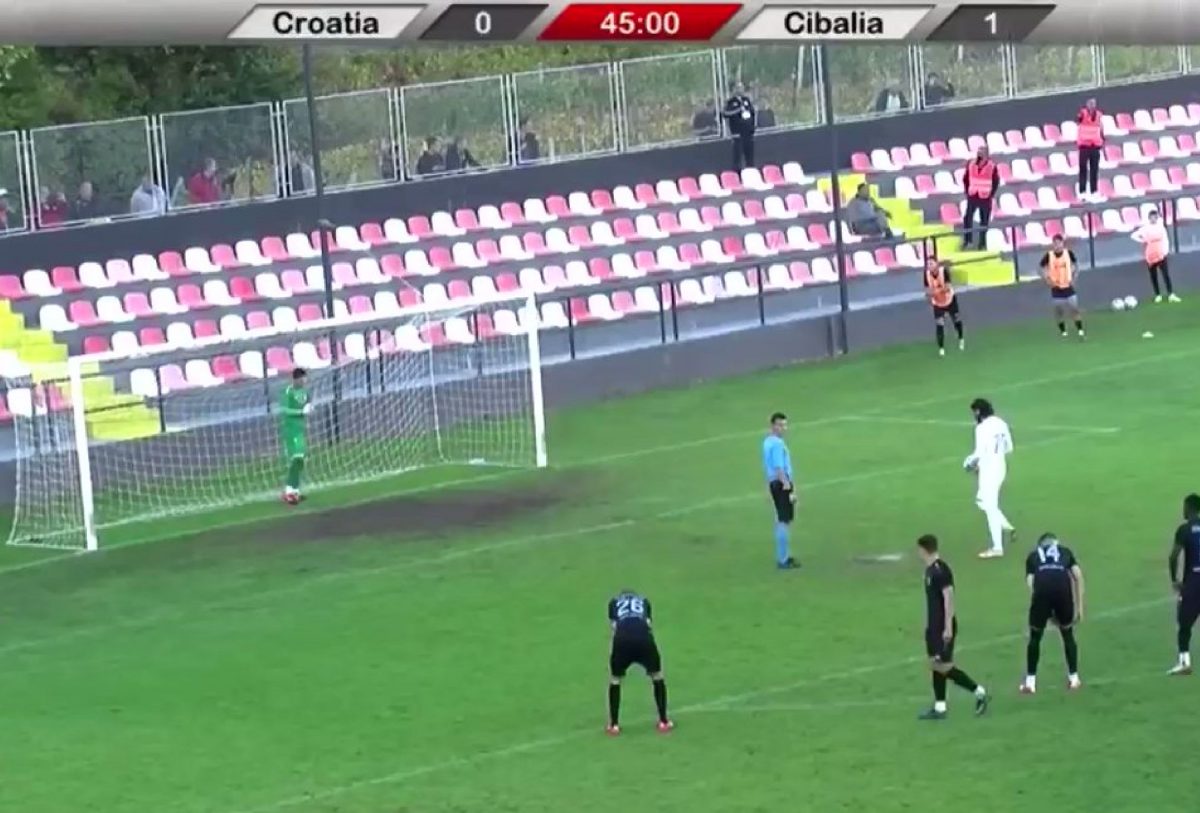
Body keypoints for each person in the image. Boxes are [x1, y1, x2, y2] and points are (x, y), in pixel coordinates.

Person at [915, 535, 989, 720]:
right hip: (933, 626)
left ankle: (979, 692)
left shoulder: (940, 570)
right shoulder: (930, 571)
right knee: (935, 664)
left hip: (942, 626)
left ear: (924, 550)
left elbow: (949, 597)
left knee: (944, 666)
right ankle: (940, 707)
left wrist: (947, 627)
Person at [1021, 533, 1084, 694]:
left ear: (1040, 545)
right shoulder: (1065, 552)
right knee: (1067, 633)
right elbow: (1078, 576)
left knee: (1035, 637)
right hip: (1063, 591)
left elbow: (1031, 584)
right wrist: (1079, 607)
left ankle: (1030, 682)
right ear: (1056, 543)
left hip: (1042, 591)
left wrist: (1043, 610)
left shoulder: (1033, 556)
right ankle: (1074, 678)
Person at [606, 589, 672, 735]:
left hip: (622, 640)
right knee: (657, 676)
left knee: (615, 680)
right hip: (644, 639)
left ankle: (614, 725)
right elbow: (648, 623)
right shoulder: (644, 601)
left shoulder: (614, 603)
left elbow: (614, 626)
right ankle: (663, 721)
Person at [963, 398, 1014, 559]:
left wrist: (968, 463)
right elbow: (1009, 447)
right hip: (1001, 466)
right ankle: (1007, 526)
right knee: (982, 501)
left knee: (990, 506)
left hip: (988, 469)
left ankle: (997, 547)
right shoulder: (1001, 423)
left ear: (978, 411)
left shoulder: (982, 428)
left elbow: (979, 453)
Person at [1167, 493, 1200, 676]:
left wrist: (1174, 580)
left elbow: (1173, 556)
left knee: (1184, 622)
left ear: (1189, 508)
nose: (1183, 510)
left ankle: (1184, 662)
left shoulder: (1184, 529)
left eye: (1184, 507)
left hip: (1193, 581)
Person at [762, 411, 798, 569]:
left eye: (785, 424)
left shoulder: (767, 442)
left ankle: (783, 556)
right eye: (780, 425)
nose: (784, 428)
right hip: (781, 483)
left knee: (780, 519)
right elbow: (778, 467)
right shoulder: (776, 444)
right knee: (783, 521)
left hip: (774, 483)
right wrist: (787, 485)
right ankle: (783, 559)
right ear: (773, 426)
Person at [1039, 234, 1085, 339]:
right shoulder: (1049, 255)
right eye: (1055, 243)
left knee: (1074, 308)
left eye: (1059, 243)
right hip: (1056, 287)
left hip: (1068, 285)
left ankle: (1080, 330)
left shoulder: (1068, 253)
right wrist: (1047, 279)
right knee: (1059, 311)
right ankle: (1063, 331)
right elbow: (1042, 267)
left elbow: (1076, 265)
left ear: (1062, 243)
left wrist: (1074, 277)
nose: (1057, 245)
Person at [1131, 208, 1180, 303]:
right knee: (1153, 276)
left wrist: (1165, 251)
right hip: (1151, 254)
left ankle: (1171, 294)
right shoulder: (1145, 228)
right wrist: (1143, 240)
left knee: (1165, 274)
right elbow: (1133, 235)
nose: (1154, 219)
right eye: (1152, 217)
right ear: (1149, 218)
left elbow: (1165, 239)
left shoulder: (1161, 227)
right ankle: (1158, 295)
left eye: (1155, 217)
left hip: (1160, 253)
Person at [280, 368, 311, 505]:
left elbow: (307, 403)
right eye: (303, 379)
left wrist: (309, 407)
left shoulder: (305, 392)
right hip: (290, 430)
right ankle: (288, 491)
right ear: (296, 379)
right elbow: (286, 410)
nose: (305, 381)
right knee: (296, 458)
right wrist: (301, 412)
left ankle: (295, 491)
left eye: (306, 378)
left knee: (301, 460)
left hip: (300, 430)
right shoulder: (288, 391)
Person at [924, 258, 964, 356]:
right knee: (939, 324)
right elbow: (927, 289)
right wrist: (929, 295)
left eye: (931, 263)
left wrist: (937, 291)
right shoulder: (926, 275)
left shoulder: (943, 271)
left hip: (949, 299)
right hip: (938, 303)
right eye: (928, 264)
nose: (930, 266)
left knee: (956, 319)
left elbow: (948, 286)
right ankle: (941, 348)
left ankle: (961, 338)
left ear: (936, 264)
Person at [962, 145, 999, 251]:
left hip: (985, 197)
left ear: (987, 154)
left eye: (982, 152)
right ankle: (967, 241)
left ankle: (982, 244)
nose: (980, 154)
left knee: (984, 221)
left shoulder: (992, 166)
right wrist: (968, 191)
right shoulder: (971, 164)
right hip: (973, 195)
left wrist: (990, 194)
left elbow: (996, 181)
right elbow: (965, 179)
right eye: (979, 152)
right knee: (967, 218)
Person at [723, 81, 756, 171]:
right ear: (734, 89)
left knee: (750, 157)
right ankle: (737, 176)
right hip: (738, 134)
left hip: (748, 133)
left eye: (741, 87)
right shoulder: (731, 102)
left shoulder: (746, 100)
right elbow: (725, 113)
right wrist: (738, 110)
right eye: (738, 87)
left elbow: (752, 112)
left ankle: (751, 173)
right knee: (738, 159)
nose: (740, 89)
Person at [1076, 97, 1104, 201]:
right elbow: (1078, 120)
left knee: (1094, 170)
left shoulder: (1099, 115)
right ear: (1087, 104)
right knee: (1083, 169)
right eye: (1090, 103)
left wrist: (1102, 139)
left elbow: (1101, 127)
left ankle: (1094, 191)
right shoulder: (1082, 113)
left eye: (1094, 103)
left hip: (1095, 145)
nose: (1092, 105)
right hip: (1084, 145)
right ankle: (1082, 191)